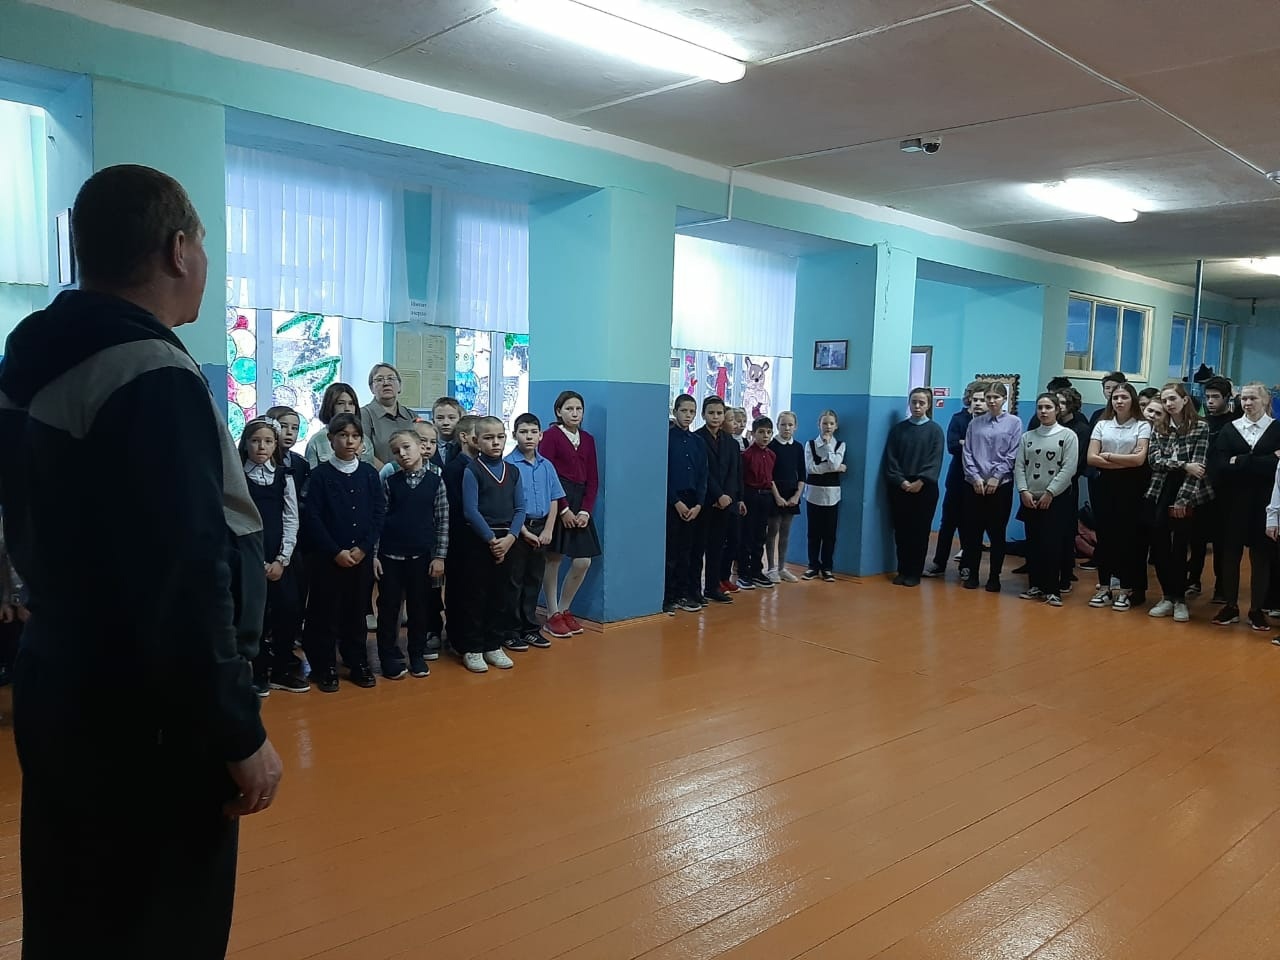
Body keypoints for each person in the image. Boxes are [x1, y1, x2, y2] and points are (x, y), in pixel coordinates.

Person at [0, 164, 282, 957]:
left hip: (62, 679)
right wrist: (237, 730)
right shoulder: (150, 372)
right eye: (205, 247)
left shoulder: (31, 357)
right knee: (163, 924)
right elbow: (183, 578)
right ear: (178, 249)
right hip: (152, 719)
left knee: (74, 911)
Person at [302, 413, 386, 691]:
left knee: (356, 611)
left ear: (362, 441)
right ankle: (324, 665)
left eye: (355, 436)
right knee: (325, 612)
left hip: (360, 557)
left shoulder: (369, 474)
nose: (349, 441)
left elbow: (378, 513)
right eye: (343, 435)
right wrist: (335, 550)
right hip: (328, 558)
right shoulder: (320, 475)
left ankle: (357, 660)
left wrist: (363, 548)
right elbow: (313, 517)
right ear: (331, 439)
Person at [240, 417, 307, 696]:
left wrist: (282, 559)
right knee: (256, 616)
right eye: (255, 441)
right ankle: (258, 672)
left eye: (268, 441)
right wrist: (258, 563)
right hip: (249, 557)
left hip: (280, 558)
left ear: (275, 445)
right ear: (245, 443)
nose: (261, 446)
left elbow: (291, 519)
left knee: (288, 611)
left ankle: (281, 669)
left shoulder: (284, 476)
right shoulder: (238, 477)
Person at [375, 427, 449, 679]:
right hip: (390, 557)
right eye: (396, 451)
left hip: (422, 558)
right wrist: (374, 555)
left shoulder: (436, 482)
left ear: (421, 447)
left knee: (419, 608)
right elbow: (379, 520)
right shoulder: (390, 482)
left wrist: (439, 556)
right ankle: (388, 656)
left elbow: (442, 521)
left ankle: (416, 655)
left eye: (407, 447)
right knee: (389, 609)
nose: (403, 454)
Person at [1207, 382, 1280, 630]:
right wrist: (1261, 460)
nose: (1247, 403)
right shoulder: (1230, 429)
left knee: (1261, 556)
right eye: (1244, 399)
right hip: (1231, 502)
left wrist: (1239, 461)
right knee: (1230, 553)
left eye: (1253, 398)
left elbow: (1276, 469)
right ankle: (1230, 605)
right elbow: (1219, 466)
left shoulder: (1276, 429)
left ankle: (1257, 609)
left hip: (1265, 503)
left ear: (1265, 401)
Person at [459, 416, 526, 672]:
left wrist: (510, 538)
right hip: (479, 541)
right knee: (476, 596)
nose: (495, 442)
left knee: (501, 595)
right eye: (488, 438)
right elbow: (470, 510)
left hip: (508, 541)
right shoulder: (472, 470)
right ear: (476, 441)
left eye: (500, 437)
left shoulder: (513, 471)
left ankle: (493, 644)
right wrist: (491, 540)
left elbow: (520, 509)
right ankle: (473, 648)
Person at [1144, 385, 1212, 623]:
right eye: (1165, 400)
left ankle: (1180, 599)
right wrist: (1183, 465)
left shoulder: (1200, 427)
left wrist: (1183, 500)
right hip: (1162, 488)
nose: (1169, 404)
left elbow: (1198, 467)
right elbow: (1155, 461)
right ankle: (1167, 596)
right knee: (1159, 542)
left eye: (1173, 399)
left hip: (1189, 491)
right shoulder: (1159, 427)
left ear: (1184, 400)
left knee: (1180, 546)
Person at [538, 391, 602, 638]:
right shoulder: (551, 436)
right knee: (553, 558)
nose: (574, 414)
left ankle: (565, 608)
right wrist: (563, 509)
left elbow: (593, 479)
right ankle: (552, 613)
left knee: (583, 560)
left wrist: (585, 510)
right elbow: (547, 473)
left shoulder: (588, 439)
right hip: (558, 501)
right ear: (558, 412)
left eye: (578, 409)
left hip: (581, 502)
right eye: (569, 409)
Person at [1086, 383, 1152, 612]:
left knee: (1127, 539)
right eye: (1115, 397)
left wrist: (1108, 456)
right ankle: (1104, 587)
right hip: (1105, 485)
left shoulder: (1142, 425)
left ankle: (1125, 590)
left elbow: (1139, 460)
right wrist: (1123, 461)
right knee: (1105, 537)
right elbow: (1091, 458)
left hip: (1131, 487)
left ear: (1132, 400)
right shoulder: (1102, 424)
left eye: (1124, 397)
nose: (1119, 401)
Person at [504, 413, 562, 650]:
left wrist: (548, 529)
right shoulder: (508, 465)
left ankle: (530, 629)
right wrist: (523, 531)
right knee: (514, 581)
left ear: (541, 435)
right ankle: (510, 631)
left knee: (534, 580)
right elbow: (507, 503)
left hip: (541, 529)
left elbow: (555, 498)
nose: (529, 437)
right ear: (514, 434)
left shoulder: (546, 465)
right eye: (523, 432)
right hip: (518, 529)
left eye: (533, 432)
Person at [1014, 394, 1079, 606]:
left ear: (1057, 410)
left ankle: (1052, 589)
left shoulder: (1068, 436)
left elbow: (1069, 468)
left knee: (1052, 544)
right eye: (1040, 407)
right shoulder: (1028, 437)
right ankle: (1035, 585)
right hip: (1030, 498)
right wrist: (1023, 491)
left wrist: (1050, 492)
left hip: (1056, 498)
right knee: (1033, 544)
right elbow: (1019, 465)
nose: (1043, 411)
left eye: (1048, 407)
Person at [960, 381, 1022, 592]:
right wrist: (975, 477)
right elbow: (967, 452)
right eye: (989, 397)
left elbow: (1013, 453)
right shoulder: (975, 423)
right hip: (975, 485)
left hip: (1000, 486)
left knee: (997, 533)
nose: (992, 401)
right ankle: (973, 574)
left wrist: (997, 477)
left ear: (1004, 399)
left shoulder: (1014, 423)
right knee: (973, 532)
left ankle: (994, 576)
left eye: (996, 397)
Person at [884, 388, 944, 587]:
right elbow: (891, 459)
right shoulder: (898, 430)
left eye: (921, 403)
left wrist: (921, 481)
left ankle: (914, 572)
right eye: (914, 402)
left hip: (924, 488)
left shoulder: (935, 430)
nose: (917, 406)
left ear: (928, 405)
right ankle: (902, 570)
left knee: (919, 532)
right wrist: (901, 481)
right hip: (900, 487)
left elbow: (935, 460)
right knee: (901, 531)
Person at [925, 382, 982, 578]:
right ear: (969, 398)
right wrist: (971, 444)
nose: (978, 403)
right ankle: (939, 563)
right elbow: (953, 446)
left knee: (970, 524)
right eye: (974, 398)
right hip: (957, 477)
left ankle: (966, 565)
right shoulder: (959, 418)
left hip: (977, 480)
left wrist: (966, 443)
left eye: (982, 399)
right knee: (948, 523)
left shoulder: (988, 422)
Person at [696, 395, 743, 603]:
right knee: (699, 548)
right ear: (703, 414)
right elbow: (703, 472)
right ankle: (694, 589)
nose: (715, 417)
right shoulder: (697, 438)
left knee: (717, 547)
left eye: (719, 413)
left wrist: (730, 497)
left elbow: (734, 473)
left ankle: (712, 587)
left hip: (726, 503)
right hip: (706, 501)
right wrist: (717, 495)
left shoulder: (731, 442)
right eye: (711, 413)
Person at [1192, 376, 1235, 600]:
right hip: (1201, 487)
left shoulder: (1235, 423)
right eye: (1207, 397)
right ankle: (1193, 579)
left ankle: (1221, 586)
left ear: (1227, 398)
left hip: (1226, 490)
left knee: (1221, 541)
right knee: (1196, 538)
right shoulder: (1201, 422)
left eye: (1215, 397)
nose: (1210, 401)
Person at [665, 394, 708, 613]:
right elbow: (664, 474)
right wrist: (676, 502)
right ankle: (668, 597)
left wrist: (699, 504)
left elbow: (703, 475)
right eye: (684, 411)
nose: (688, 415)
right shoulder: (666, 439)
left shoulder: (698, 442)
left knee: (687, 551)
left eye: (692, 411)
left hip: (693, 503)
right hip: (674, 502)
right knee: (671, 552)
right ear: (675, 412)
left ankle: (684, 593)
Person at [442, 415, 480, 658]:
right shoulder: (455, 468)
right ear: (464, 437)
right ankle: (459, 640)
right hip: (461, 539)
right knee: (460, 591)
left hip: (482, 539)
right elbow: (458, 507)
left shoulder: (484, 466)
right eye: (480, 433)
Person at [803, 410, 847, 581]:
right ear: (819, 425)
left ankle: (827, 567)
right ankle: (812, 566)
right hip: (813, 493)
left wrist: (829, 449)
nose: (828, 426)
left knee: (829, 534)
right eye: (824, 423)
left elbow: (835, 463)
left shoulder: (840, 445)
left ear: (836, 426)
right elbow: (810, 469)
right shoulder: (810, 445)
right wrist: (834, 467)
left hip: (832, 495)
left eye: (831, 423)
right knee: (813, 533)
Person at [766, 411, 805, 583]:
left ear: (795, 427)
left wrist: (797, 495)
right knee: (772, 530)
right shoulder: (772, 446)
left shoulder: (797, 447)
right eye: (783, 424)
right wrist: (777, 496)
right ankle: (771, 568)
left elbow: (802, 474)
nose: (787, 428)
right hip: (775, 493)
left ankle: (782, 567)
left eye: (790, 425)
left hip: (791, 494)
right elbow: (769, 475)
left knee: (785, 532)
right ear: (777, 426)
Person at [739, 416, 778, 589]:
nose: (765, 436)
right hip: (750, 496)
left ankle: (756, 570)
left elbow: (770, 478)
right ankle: (743, 573)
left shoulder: (771, 455)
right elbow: (741, 479)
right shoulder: (746, 455)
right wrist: (741, 499)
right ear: (753, 434)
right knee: (747, 535)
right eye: (761, 432)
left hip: (765, 497)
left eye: (769, 432)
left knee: (761, 535)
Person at [360, 362, 416, 468]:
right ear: (371, 388)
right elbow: (363, 451)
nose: (386, 383)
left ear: (399, 386)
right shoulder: (364, 415)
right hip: (378, 475)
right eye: (379, 379)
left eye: (391, 378)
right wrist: (388, 472)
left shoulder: (411, 415)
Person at [306, 382, 373, 467]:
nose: (347, 409)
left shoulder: (364, 440)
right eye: (341, 403)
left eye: (351, 404)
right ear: (330, 406)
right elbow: (312, 473)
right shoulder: (317, 440)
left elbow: (370, 471)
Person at [431, 396, 464, 465]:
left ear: (460, 420)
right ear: (433, 421)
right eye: (440, 418)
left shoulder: (465, 447)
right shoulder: (428, 447)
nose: (446, 423)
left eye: (451, 418)